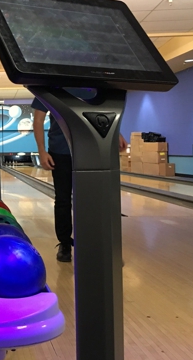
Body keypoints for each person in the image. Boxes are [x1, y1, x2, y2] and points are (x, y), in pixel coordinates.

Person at [32, 90, 127, 262]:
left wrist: (116, 133)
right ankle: (65, 244)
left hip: (90, 148)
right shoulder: (49, 85)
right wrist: (41, 150)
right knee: (63, 200)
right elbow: (38, 120)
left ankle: (94, 243)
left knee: (93, 199)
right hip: (60, 151)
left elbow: (103, 113)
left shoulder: (91, 85)